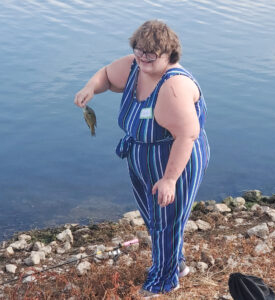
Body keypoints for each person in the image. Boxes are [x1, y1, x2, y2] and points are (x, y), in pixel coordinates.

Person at [74, 20, 210, 298]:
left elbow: (187, 135)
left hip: (175, 158)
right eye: (139, 50)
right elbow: (107, 76)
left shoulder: (174, 87)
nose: (144, 58)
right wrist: (90, 87)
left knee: (166, 221)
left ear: (169, 54)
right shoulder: (134, 66)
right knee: (153, 217)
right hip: (142, 154)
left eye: (152, 54)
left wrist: (170, 179)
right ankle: (177, 263)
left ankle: (164, 281)